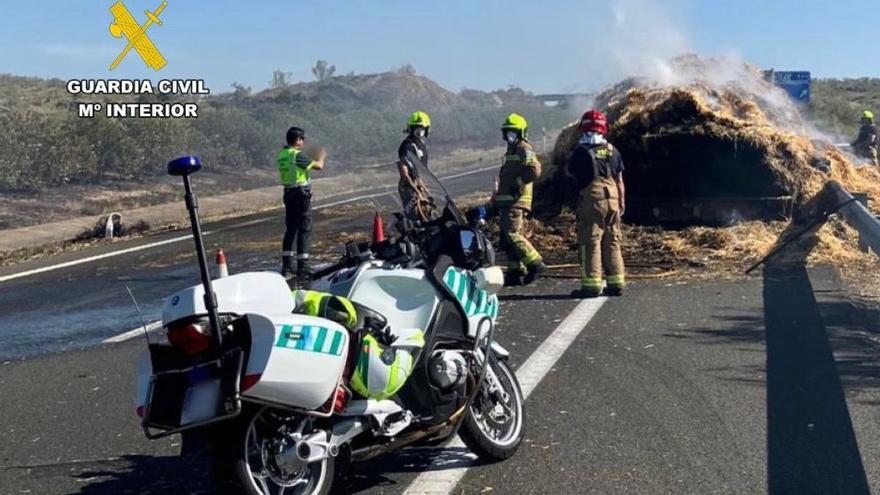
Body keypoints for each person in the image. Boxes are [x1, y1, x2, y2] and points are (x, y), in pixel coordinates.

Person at [290, 289, 424, 400]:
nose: (344, 369)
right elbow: (298, 298)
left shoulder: (326, 388)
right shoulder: (344, 314)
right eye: (347, 366)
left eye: (346, 371)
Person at [567, 110, 626, 298]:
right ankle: (616, 283)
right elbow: (620, 180)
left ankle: (591, 286)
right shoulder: (612, 150)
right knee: (612, 240)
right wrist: (621, 202)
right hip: (614, 200)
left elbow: (570, 173)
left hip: (593, 201)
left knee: (590, 241)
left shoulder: (580, 152)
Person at [492, 113, 545, 286]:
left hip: (516, 201)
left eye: (513, 132)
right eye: (508, 133)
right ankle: (515, 271)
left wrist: (518, 182)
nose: (510, 136)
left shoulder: (524, 148)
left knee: (513, 235)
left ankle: (535, 264)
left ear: (521, 132)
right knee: (507, 239)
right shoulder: (511, 150)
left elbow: (535, 170)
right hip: (508, 201)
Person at [278, 126, 325, 280]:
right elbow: (319, 166)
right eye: (302, 139)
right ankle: (303, 267)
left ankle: (287, 265)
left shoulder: (283, 155)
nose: (303, 141)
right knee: (304, 228)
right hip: (300, 194)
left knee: (290, 229)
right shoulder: (296, 155)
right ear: (297, 140)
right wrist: (322, 156)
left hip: (288, 193)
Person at [397, 111, 436, 222]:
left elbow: (419, 172)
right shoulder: (407, 146)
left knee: (426, 212)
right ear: (411, 129)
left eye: (422, 129)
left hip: (418, 182)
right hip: (408, 186)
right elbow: (405, 174)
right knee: (414, 217)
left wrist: (424, 189)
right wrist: (417, 192)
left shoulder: (420, 145)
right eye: (416, 128)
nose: (419, 132)